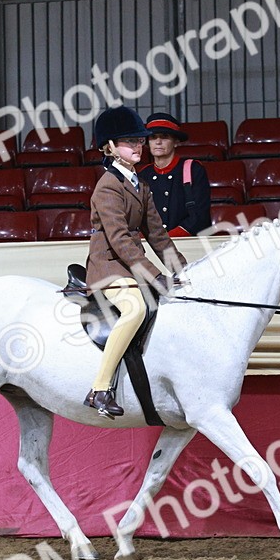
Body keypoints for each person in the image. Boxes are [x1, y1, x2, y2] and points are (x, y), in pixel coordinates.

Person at [84, 107, 187, 419]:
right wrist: (156, 276)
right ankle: (100, 388)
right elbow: (120, 240)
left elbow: (157, 233)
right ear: (110, 147)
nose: (137, 147)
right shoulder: (107, 185)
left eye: (139, 141)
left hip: (130, 265)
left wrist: (180, 268)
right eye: (129, 142)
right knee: (136, 308)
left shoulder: (140, 185)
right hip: (108, 266)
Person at [137, 112, 212, 237]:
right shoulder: (144, 175)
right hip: (153, 246)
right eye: (153, 137)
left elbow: (199, 215)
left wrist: (170, 239)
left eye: (164, 136)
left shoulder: (192, 169)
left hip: (187, 241)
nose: (158, 142)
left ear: (175, 142)